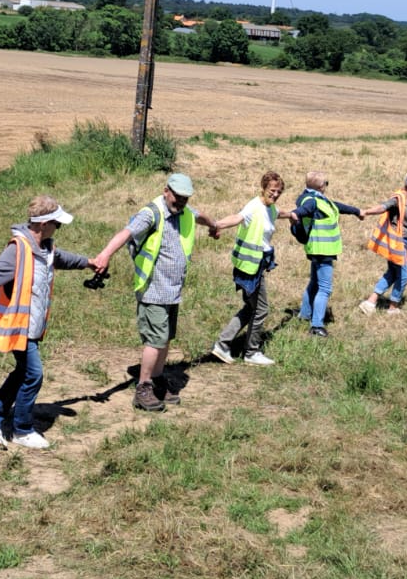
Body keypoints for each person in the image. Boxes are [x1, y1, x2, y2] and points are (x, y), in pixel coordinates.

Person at [0, 195, 97, 448]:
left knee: (22, 373)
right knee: (33, 374)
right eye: (57, 224)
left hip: (32, 326)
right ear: (44, 224)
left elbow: (60, 259)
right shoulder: (18, 250)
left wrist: (88, 263)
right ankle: (21, 429)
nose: (59, 228)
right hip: (19, 326)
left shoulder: (44, 248)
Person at [91, 173, 211, 412]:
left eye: (186, 198)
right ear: (166, 191)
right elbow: (126, 233)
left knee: (164, 339)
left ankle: (156, 380)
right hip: (153, 290)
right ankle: (143, 387)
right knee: (155, 340)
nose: (181, 201)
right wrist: (105, 254)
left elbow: (200, 216)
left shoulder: (184, 211)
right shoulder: (151, 214)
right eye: (178, 196)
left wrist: (214, 226)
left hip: (172, 290)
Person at [207, 172, 297, 364]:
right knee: (261, 309)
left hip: (256, 265)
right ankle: (251, 352)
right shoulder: (254, 207)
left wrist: (290, 214)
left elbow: (278, 212)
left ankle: (222, 344)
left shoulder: (270, 208)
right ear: (263, 188)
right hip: (250, 268)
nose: (275, 194)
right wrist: (217, 225)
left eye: (279, 192)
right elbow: (237, 217)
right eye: (272, 190)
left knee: (251, 307)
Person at [293, 172, 365, 336]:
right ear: (321, 186)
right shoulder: (312, 201)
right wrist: (294, 215)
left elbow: (336, 205)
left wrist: (356, 211)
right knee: (325, 288)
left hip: (317, 249)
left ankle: (304, 315)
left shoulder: (316, 199)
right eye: (326, 183)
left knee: (314, 283)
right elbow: (301, 211)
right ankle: (316, 326)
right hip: (322, 250)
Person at [357, 173, 407, 314]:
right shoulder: (398, 199)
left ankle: (370, 302)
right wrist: (366, 212)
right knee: (403, 275)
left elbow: (405, 219)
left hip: (404, 242)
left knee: (392, 273)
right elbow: (383, 207)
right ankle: (393, 307)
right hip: (397, 244)